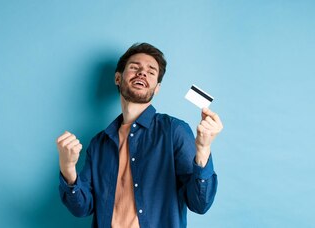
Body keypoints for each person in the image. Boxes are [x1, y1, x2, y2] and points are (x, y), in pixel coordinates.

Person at [56, 43, 223, 227]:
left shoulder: (174, 130)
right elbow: (82, 208)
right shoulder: (99, 143)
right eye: (135, 67)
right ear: (118, 78)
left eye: (151, 72)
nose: (142, 73)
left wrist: (203, 149)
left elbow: (200, 204)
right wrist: (68, 168)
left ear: (157, 88)